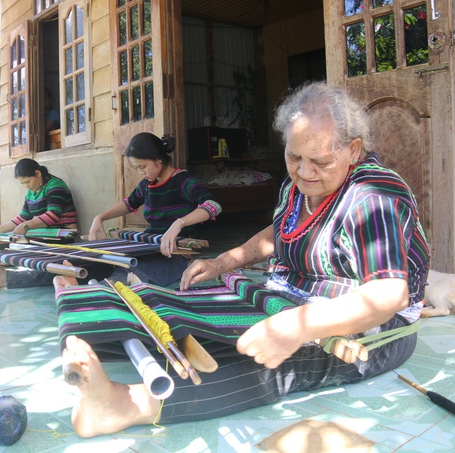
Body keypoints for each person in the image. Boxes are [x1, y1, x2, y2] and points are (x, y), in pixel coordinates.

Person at [58, 82, 431, 438]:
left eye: (320, 160)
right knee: (178, 307)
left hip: (369, 324)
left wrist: (296, 327)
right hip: (287, 296)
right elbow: (279, 231)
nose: (304, 172)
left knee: (274, 360)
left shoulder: (374, 193)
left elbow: (388, 294)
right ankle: (109, 328)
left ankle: (124, 405)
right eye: (294, 156)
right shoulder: (298, 186)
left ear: (353, 150)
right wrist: (223, 263)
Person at [87, 132, 222, 286]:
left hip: (177, 253)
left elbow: (213, 204)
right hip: (151, 247)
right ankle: (102, 285)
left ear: (158, 159)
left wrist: (179, 223)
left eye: (143, 167)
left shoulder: (182, 181)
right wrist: (100, 218)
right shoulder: (147, 185)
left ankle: (108, 288)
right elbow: (129, 204)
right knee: (117, 263)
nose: (140, 172)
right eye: (137, 168)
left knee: (136, 274)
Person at [0, 158, 78, 289]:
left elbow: (52, 215)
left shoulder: (56, 185)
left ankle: (4, 278)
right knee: (4, 242)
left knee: (52, 268)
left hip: (62, 237)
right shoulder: (31, 193)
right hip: (44, 236)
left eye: (28, 181)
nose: (26, 186)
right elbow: (23, 217)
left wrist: (26, 226)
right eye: (23, 184)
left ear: (38, 174)